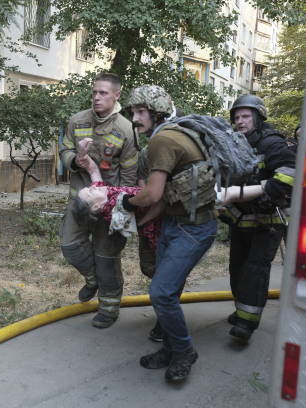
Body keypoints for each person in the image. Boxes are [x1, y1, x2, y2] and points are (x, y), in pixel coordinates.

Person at [120, 85, 217, 382]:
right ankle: (172, 348)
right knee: (168, 291)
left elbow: (152, 194)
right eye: (132, 112)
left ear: (157, 113)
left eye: (141, 112)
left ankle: (184, 351)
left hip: (194, 229)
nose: (135, 118)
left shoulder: (163, 140)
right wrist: (140, 222)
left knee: (161, 292)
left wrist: (125, 203)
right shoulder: (177, 132)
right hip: (177, 223)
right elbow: (164, 199)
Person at [59, 72, 137, 328]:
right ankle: (92, 279)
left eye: (103, 93)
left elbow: (129, 173)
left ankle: (109, 308)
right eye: (94, 92)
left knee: (106, 257)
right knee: (70, 246)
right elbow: (65, 148)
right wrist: (74, 159)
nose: (96, 97)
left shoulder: (126, 129)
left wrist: (121, 207)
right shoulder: (77, 120)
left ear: (116, 96)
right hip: (79, 199)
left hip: (109, 206)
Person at [221, 94, 295, 341]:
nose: (240, 121)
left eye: (246, 116)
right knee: (237, 269)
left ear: (258, 118)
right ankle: (241, 310)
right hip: (242, 220)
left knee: (255, 270)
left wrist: (268, 192)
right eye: (237, 117)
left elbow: (290, 172)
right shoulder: (234, 143)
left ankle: (247, 324)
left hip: (268, 222)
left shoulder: (271, 143)